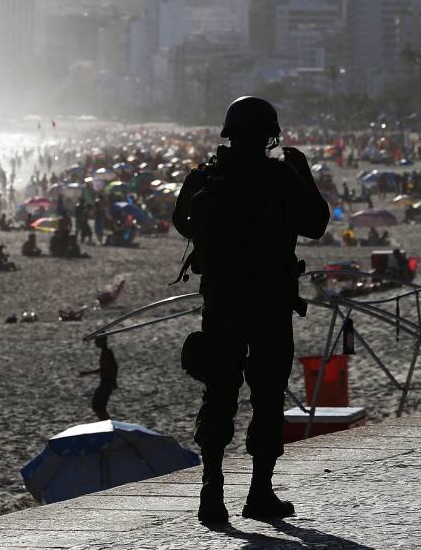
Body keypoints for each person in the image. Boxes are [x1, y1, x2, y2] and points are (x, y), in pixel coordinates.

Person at [172, 96, 329, 523]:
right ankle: (259, 493)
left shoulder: (207, 177)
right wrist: (301, 170)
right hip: (270, 304)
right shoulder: (279, 176)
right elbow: (316, 223)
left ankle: (212, 492)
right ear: (269, 135)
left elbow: (182, 222)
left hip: (221, 304)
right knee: (267, 398)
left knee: (219, 393)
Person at [78, 335, 117, 421]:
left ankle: (108, 425)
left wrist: (112, 381)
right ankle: (106, 424)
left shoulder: (107, 353)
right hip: (105, 382)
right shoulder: (105, 352)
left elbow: (112, 367)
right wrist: (88, 373)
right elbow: (105, 368)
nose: (95, 343)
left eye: (97, 341)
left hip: (107, 383)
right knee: (98, 406)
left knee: (98, 407)